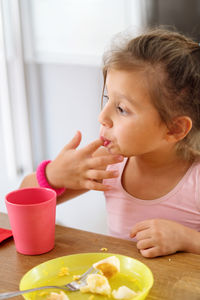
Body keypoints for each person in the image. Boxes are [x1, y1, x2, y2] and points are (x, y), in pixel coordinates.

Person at [20, 27, 200, 258]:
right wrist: (53, 176)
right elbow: (23, 200)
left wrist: (187, 239)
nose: (102, 117)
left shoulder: (195, 181)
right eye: (107, 98)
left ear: (174, 129)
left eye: (122, 109)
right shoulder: (107, 164)